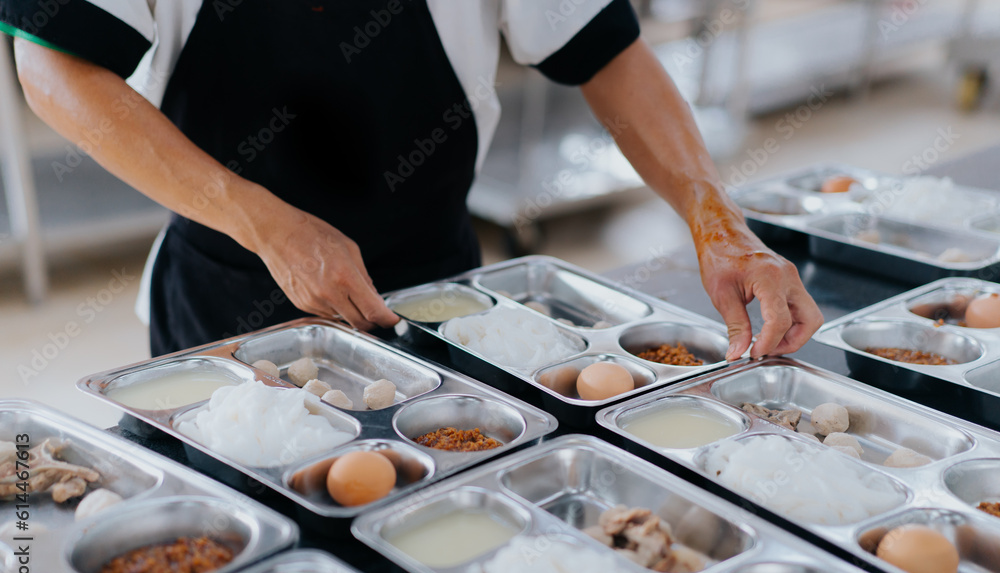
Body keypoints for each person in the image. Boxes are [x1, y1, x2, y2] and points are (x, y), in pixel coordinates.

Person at [3, 0, 822, 358]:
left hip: (439, 296)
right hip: (226, 303)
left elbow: (607, 53)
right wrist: (263, 221)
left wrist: (718, 219)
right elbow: (55, 67)